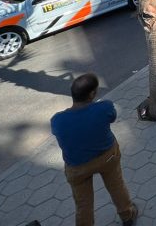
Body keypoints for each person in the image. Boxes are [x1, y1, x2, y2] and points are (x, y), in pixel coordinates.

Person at [51, 74, 138, 226]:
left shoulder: (57, 120)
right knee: (116, 185)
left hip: (77, 167)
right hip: (107, 158)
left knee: (83, 204)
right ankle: (127, 215)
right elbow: (112, 117)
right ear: (92, 94)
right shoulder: (104, 107)